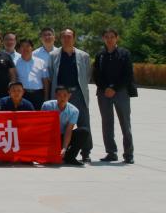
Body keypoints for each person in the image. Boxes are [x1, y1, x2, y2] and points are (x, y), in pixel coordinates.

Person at [48, 28, 93, 162]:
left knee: (84, 122)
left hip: (78, 93)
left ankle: (86, 152)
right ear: (60, 39)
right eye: (64, 37)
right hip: (60, 94)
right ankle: (57, 150)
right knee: (57, 123)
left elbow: (87, 75)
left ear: (74, 38)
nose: (67, 39)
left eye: (69, 36)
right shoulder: (53, 55)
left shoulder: (83, 56)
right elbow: (51, 74)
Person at [93, 28, 135, 163]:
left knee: (125, 123)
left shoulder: (124, 53)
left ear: (117, 38)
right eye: (107, 37)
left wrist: (114, 88)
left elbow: (128, 74)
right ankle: (111, 152)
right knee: (107, 123)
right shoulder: (100, 55)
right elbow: (96, 75)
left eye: (112, 37)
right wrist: (105, 88)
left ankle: (128, 154)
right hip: (103, 92)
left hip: (121, 92)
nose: (109, 39)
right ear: (103, 39)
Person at [43, 85, 90, 166]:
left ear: (69, 96)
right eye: (59, 95)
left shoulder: (74, 110)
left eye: (65, 95)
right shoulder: (47, 106)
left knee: (84, 131)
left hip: (63, 136)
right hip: (50, 136)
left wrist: (64, 148)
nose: (62, 98)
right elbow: (44, 126)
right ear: (55, 95)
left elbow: (69, 130)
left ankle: (70, 157)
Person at [14, 38, 49, 109]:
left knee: (38, 115)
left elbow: (45, 81)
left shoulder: (41, 62)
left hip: (38, 94)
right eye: (22, 46)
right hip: (22, 94)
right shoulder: (15, 63)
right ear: (19, 49)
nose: (25, 48)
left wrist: (46, 98)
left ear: (32, 48)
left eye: (27, 46)